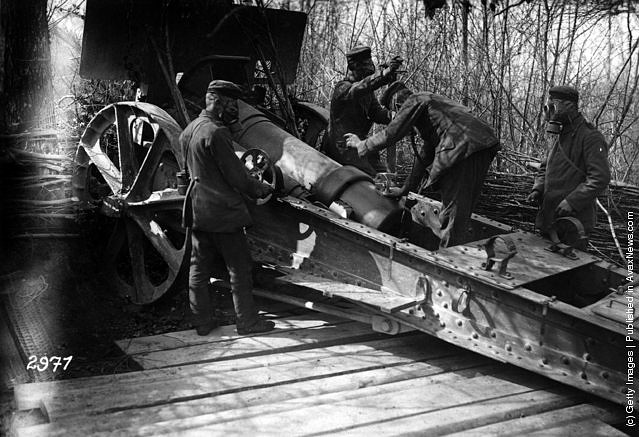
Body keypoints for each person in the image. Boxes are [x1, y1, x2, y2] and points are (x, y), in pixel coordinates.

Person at [345, 82, 500, 248]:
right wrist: (406, 188)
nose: (398, 115)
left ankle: (449, 264)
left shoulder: (415, 100)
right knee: (461, 212)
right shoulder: (433, 105)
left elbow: (391, 133)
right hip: (483, 144)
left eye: (397, 112)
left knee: (452, 216)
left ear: (397, 104)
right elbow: (425, 154)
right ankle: (453, 249)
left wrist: (362, 145)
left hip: (461, 149)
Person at [180, 80, 275, 336]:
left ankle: (202, 322)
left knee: (198, 268)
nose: (235, 108)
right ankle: (247, 321)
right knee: (239, 268)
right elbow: (237, 177)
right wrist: (260, 188)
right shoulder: (216, 133)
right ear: (218, 101)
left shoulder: (189, 130)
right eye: (232, 103)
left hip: (198, 210)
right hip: (223, 213)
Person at [527, 85, 610, 240]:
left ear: (569, 105)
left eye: (554, 104)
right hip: (550, 219)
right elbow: (546, 166)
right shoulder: (562, 134)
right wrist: (537, 189)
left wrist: (572, 201)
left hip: (574, 224)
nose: (549, 110)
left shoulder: (591, 137)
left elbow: (600, 178)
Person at [324, 45, 403, 176]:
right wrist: (384, 74)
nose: (368, 71)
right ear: (353, 68)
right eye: (364, 69)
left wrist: (395, 115)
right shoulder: (343, 88)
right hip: (342, 149)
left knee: (385, 175)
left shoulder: (367, 94)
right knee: (371, 179)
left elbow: (377, 113)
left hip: (360, 145)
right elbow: (361, 87)